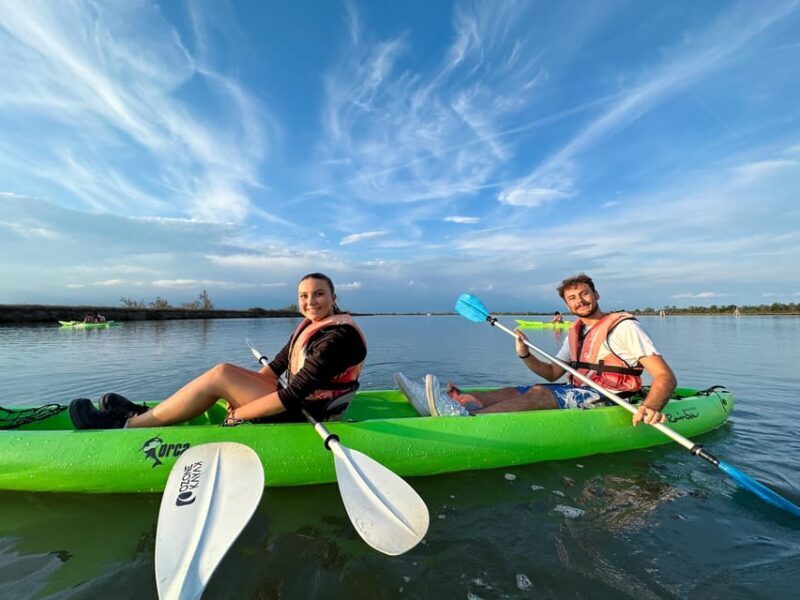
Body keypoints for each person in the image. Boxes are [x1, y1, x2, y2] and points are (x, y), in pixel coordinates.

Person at [69, 273, 367, 429]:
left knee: (221, 376)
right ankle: (148, 413)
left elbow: (292, 395)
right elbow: (276, 366)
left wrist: (242, 411)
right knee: (224, 372)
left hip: (307, 413)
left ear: (333, 297)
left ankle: (129, 424)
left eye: (318, 294)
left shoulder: (338, 337)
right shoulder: (312, 324)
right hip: (301, 402)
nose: (310, 301)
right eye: (304, 295)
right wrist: (245, 389)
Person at [399, 274, 676, 426]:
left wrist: (651, 406)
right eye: (572, 299)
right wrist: (525, 354)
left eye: (584, 294)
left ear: (596, 294)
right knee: (513, 390)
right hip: (580, 392)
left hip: (614, 398)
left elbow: (664, 377)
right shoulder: (576, 331)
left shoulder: (624, 327)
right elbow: (554, 373)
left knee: (539, 393)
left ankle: (466, 421)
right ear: (567, 306)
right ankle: (458, 400)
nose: (580, 301)